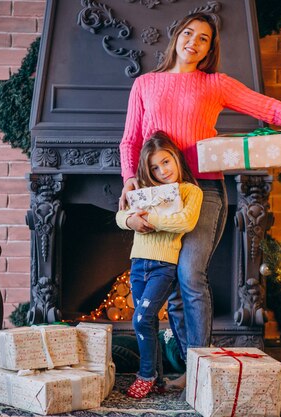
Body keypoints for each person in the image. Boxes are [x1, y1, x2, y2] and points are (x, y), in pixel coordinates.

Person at [118, 12, 281, 388]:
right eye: (189, 33)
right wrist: (130, 180)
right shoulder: (145, 84)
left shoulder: (215, 84)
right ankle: (184, 369)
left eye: (204, 38)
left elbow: (267, 108)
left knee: (190, 275)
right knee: (172, 287)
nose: (194, 41)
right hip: (159, 196)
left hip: (205, 191)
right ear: (177, 35)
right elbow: (130, 140)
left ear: (210, 48)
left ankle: (200, 370)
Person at [116, 131, 203, 399]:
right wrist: (131, 221)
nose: (162, 170)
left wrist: (150, 221)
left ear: (176, 158)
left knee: (140, 318)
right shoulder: (143, 192)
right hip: (138, 262)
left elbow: (185, 222)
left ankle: (146, 374)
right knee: (148, 321)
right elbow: (121, 215)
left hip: (164, 266)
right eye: (155, 167)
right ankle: (157, 377)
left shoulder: (191, 191)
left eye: (166, 162)